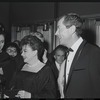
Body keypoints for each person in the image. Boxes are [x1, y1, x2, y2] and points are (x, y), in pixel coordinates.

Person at [55, 13, 100, 98]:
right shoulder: (68, 52)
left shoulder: (94, 52)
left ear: (72, 29)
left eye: (59, 28)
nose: (56, 33)